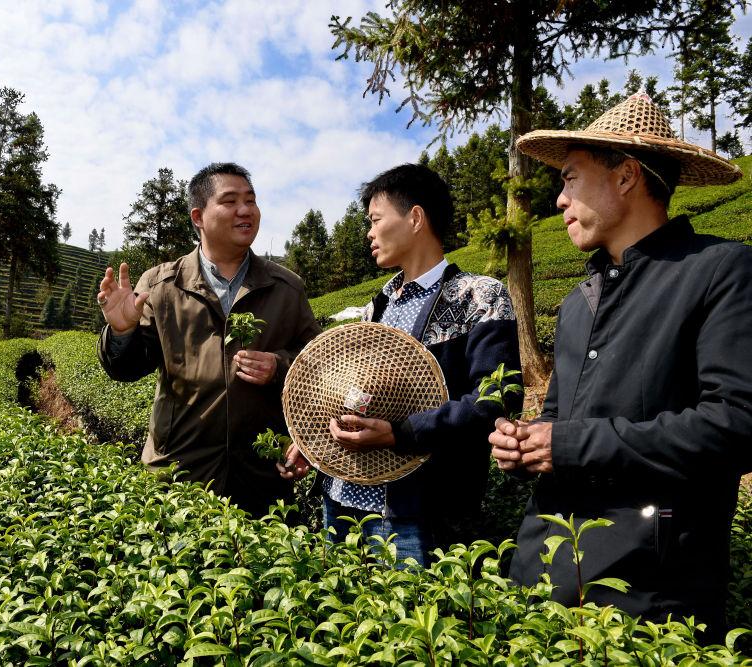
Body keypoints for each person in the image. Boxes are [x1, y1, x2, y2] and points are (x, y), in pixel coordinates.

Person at [490, 92, 750, 639]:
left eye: (570, 178)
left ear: (627, 176)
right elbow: (558, 419)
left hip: (648, 596)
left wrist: (570, 443)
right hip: (545, 574)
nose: (559, 200)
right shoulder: (579, 302)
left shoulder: (720, 270)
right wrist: (525, 445)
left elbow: (736, 424)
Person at [280, 163, 521, 565]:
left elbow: (494, 399)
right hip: (340, 502)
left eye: (376, 219)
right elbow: (358, 397)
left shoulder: (479, 296)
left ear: (415, 218)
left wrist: (400, 434)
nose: (369, 233)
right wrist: (317, 443)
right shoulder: (379, 304)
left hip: (414, 515)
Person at [97, 162, 320, 517]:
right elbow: (127, 369)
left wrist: (279, 365)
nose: (245, 210)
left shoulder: (286, 288)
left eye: (251, 200)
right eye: (230, 201)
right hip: (178, 474)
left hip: (261, 479)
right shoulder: (161, 285)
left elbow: (321, 367)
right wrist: (122, 331)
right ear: (198, 217)